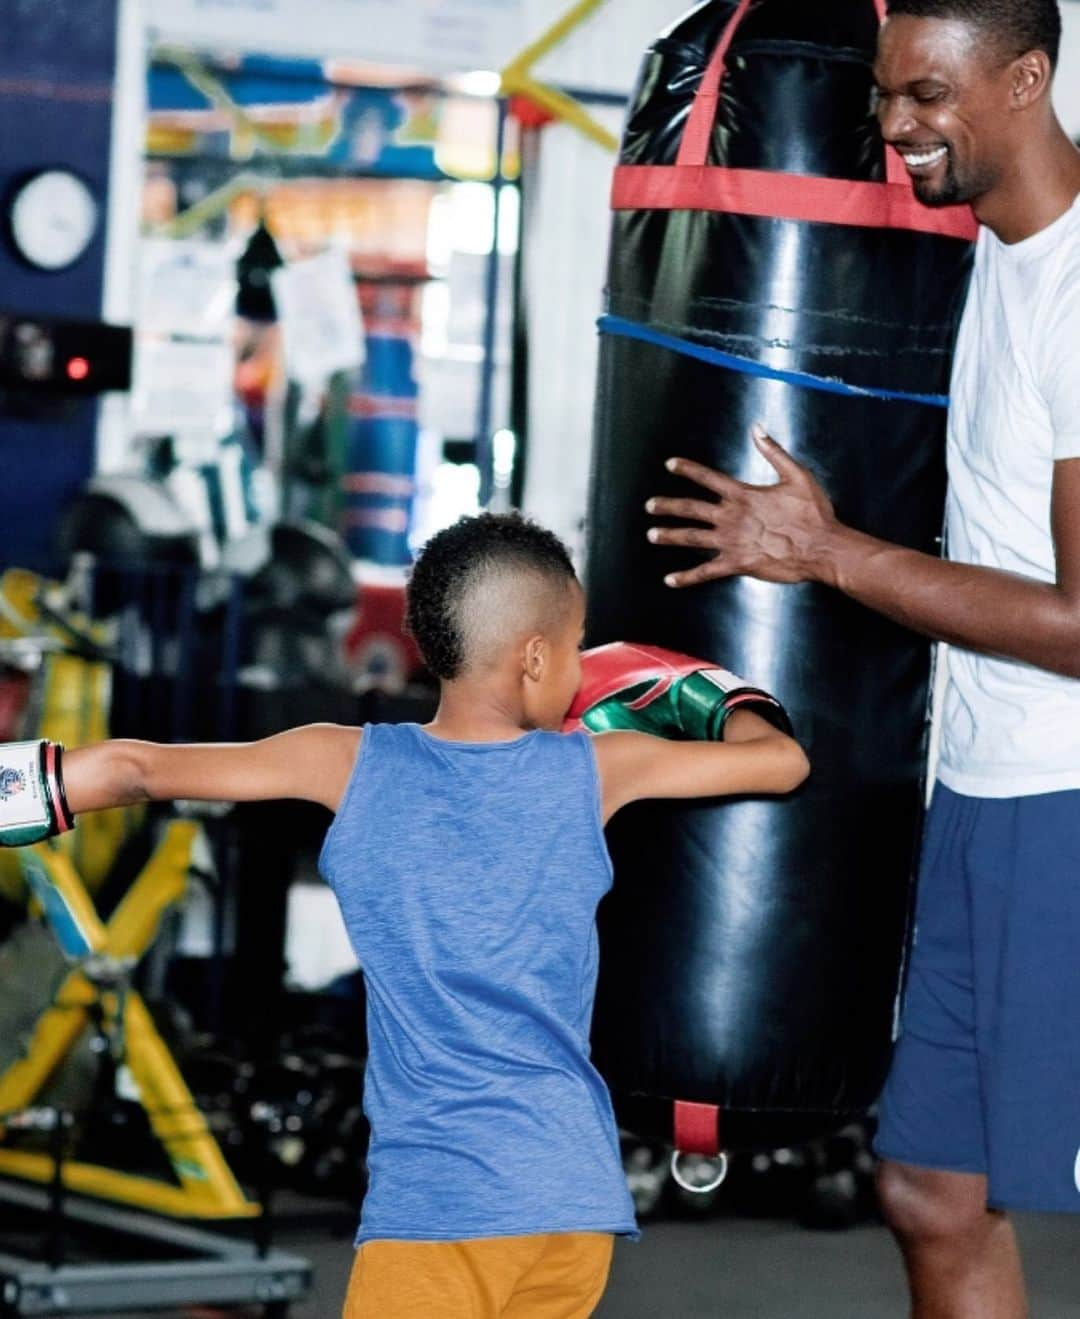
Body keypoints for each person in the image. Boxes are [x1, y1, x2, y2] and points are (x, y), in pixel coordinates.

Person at [0, 512, 808, 1319]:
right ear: (534, 657)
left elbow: (134, 768)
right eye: (577, 648)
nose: (583, 672)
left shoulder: (344, 761)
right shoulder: (598, 769)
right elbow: (778, 761)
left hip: (443, 1200)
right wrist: (699, 688)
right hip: (571, 1199)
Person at [646, 1, 1080, 1315]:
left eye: (930, 97)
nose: (897, 128)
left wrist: (828, 556)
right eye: (888, 96)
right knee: (932, 1191)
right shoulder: (988, 258)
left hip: (1062, 795)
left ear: (1028, 78)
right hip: (978, 783)